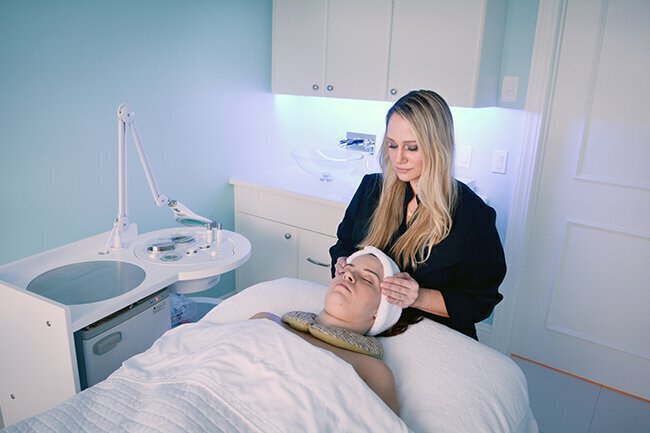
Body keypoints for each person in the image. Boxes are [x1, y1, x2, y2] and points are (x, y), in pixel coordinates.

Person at [330, 89, 506, 340]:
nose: (398, 158)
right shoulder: (371, 190)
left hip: (432, 336)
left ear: (437, 147)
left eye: (411, 148)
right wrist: (342, 262)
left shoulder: (473, 216)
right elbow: (344, 244)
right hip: (367, 326)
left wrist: (418, 296)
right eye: (392, 145)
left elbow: (480, 302)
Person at [253, 246, 406, 415]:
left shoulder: (373, 371)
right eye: (345, 271)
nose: (348, 275)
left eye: (368, 280)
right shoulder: (265, 320)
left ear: (381, 311)